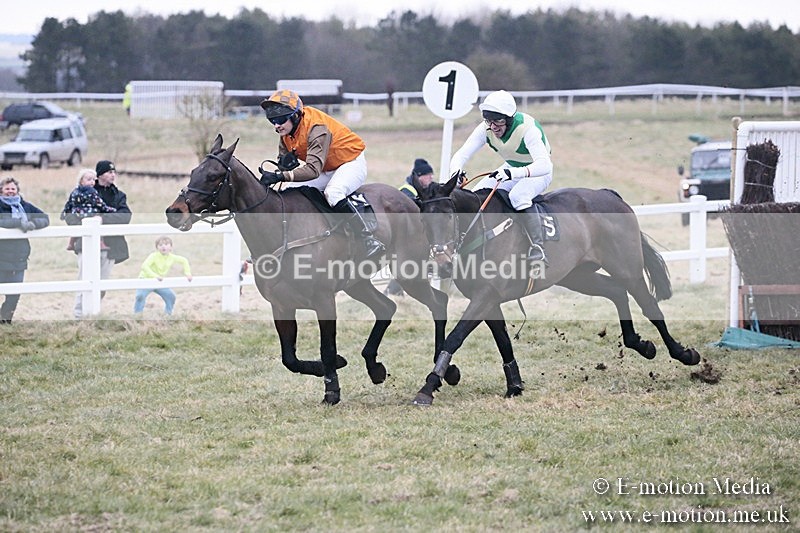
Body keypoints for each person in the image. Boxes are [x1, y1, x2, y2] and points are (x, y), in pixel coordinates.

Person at [258, 89, 385, 259]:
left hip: (350, 162)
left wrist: (281, 175)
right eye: (272, 120)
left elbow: (312, 170)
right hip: (327, 167)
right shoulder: (285, 133)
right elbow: (284, 165)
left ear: (296, 116)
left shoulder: (316, 127)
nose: (277, 125)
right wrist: (283, 166)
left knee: (333, 193)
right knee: (289, 190)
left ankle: (367, 238)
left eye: (281, 119)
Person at [449, 90, 553, 263]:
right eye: (489, 120)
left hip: (538, 172)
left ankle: (538, 247)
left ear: (509, 119)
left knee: (518, 196)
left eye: (498, 121)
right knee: (477, 195)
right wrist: (456, 173)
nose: (493, 126)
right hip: (511, 168)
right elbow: (461, 155)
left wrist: (512, 173)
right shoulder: (486, 128)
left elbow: (544, 165)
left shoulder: (527, 129)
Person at [63, 160, 132, 318]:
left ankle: (93, 315)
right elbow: (70, 216)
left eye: (114, 172)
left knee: (102, 284)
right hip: (86, 244)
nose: (113, 175)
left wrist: (101, 218)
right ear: (100, 174)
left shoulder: (119, 195)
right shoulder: (82, 193)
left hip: (111, 246)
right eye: (109, 172)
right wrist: (87, 222)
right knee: (84, 281)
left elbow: (125, 217)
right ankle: (79, 316)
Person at [0, 177, 50, 323]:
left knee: (15, 293)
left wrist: (33, 223)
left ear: (17, 190)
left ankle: (5, 319)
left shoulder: (25, 206)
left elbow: (45, 218)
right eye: (7, 188)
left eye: (13, 189)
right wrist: (17, 223)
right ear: (1, 190)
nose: (10, 191)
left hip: (19, 256)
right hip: (1, 256)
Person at [385, 158, 436, 297]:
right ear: (419, 176)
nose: (431, 178)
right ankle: (393, 290)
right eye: (428, 175)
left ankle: (395, 290)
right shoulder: (407, 191)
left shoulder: (417, 189)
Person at [60, 168, 118, 252]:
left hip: (76, 214)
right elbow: (99, 203)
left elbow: (69, 203)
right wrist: (110, 209)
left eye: (93, 180)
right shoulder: (91, 192)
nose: (92, 182)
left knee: (76, 228)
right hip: (88, 213)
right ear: (81, 181)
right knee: (98, 220)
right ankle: (101, 242)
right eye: (89, 179)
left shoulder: (75, 191)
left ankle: (71, 243)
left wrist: (65, 212)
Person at [134, 236, 192, 316]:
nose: (163, 247)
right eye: (160, 245)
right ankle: (137, 316)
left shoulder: (172, 257)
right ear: (157, 247)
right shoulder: (153, 256)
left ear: (171, 247)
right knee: (140, 296)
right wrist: (155, 276)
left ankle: (167, 315)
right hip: (146, 279)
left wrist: (188, 273)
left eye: (166, 244)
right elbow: (144, 266)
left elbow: (184, 260)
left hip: (159, 281)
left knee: (171, 296)